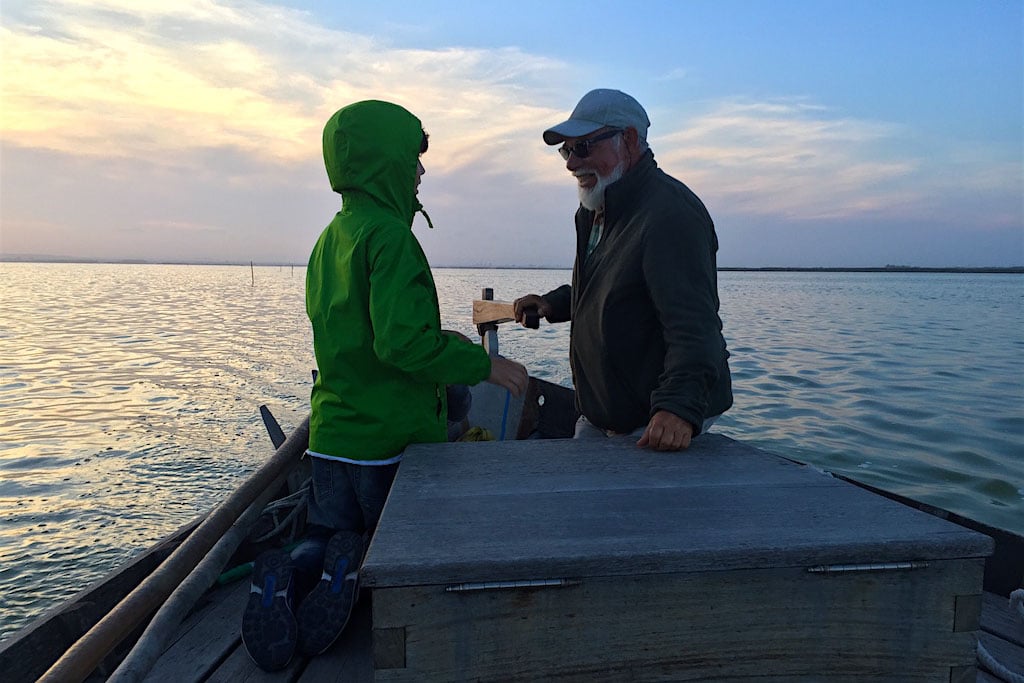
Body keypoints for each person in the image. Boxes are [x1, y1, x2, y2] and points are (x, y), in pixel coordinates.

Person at [242, 100, 529, 671]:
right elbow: (400, 346)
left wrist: (429, 337)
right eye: (413, 159)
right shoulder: (391, 239)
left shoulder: (331, 238)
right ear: (387, 164)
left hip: (332, 435)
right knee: (391, 550)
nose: (420, 172)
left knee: (331, 534)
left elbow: (357, 333)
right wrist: (484, 365)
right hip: (389, 440)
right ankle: (366, 591)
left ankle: (287, 572)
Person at [514, 88, 732, 452]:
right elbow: (610, 287)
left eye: (583, 147)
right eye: (566, 150)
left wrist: (678, 408)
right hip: (602, 418)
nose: (570, 163)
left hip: (650, 425)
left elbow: (695, 328)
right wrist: (553, 303)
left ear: (628, 140)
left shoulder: (670, 215)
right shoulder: (596, 210)